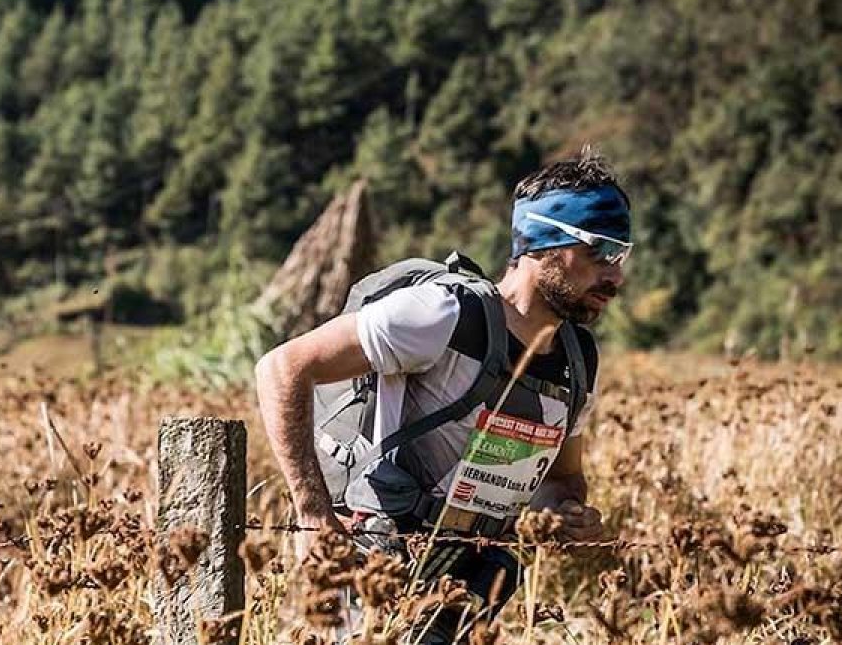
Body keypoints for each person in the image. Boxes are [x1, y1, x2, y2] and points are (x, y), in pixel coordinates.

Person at [255, 152, 632, 641]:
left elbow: (562, 480)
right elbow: (282, 367)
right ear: (544, 243)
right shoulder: (443, 314)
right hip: (375, 568)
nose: (615, 276)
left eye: (620, 254)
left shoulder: (578, 359)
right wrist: (314, 515)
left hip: (469, 582)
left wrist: (568, 516)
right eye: (599, 250)